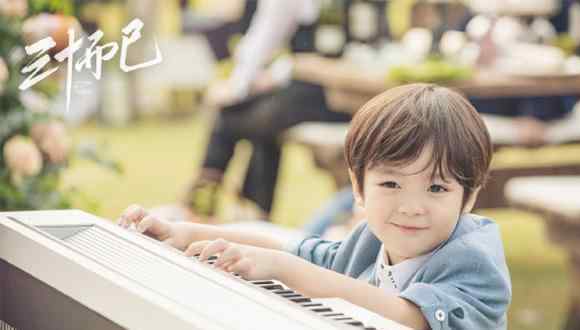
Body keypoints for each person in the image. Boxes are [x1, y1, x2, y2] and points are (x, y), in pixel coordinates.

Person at [119, 84, 512, 329]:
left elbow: (409, 317)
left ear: (470, 197)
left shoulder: (474, 260)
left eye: (437, 188)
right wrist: (186, 233)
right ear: (358, 187)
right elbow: (293, 249)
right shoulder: (370, 242)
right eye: (391, 183)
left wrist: (284, 269)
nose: (412, 207)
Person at [186, 0, 350, 218]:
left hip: (333, 94)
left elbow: (264, 39)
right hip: (339, 90)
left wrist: (237, 88)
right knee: (257, 120)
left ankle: (209, 200)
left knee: (230, 116)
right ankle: (250, 209)